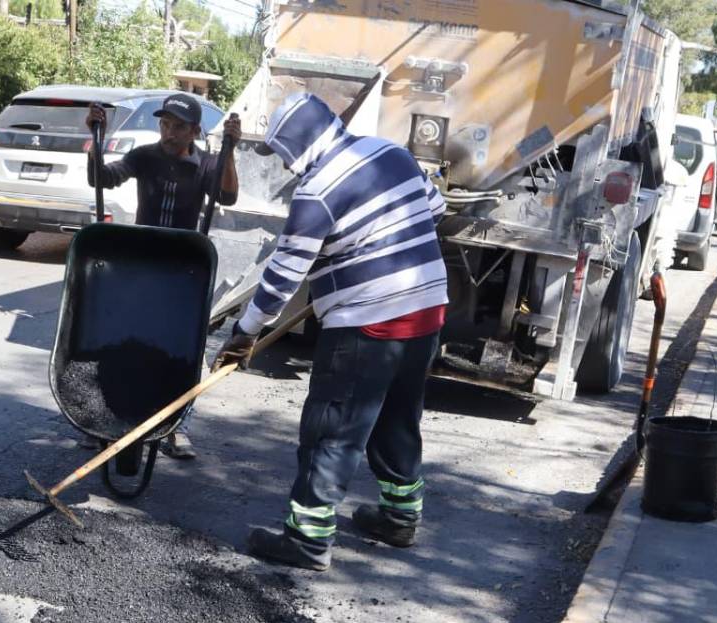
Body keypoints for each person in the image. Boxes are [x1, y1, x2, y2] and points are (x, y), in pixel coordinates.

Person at [214, 92, 449, 571]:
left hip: (367, 323)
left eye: (282, 153)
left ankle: (307, 539)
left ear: (298, 144)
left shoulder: (317, 191)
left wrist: (243, 332)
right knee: (396, 416)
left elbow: (281, 279)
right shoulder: (392, 153)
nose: (283, 165)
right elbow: (436, 208)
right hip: (427, 310)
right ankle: (401, 516)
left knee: (332, 430)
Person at [82, 93, 241, 460]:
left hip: (182, 271)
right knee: (116, 343)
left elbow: (228, 196)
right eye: (165, 124)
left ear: (195, 131)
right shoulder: (144, 157)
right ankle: (98, 422)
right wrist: (95, 137)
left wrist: (229, 150)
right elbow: (102, 178)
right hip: (140, 268)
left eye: (178, 127)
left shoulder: (205, 166)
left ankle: (175, 428)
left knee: (184, 353)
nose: (169, 132)